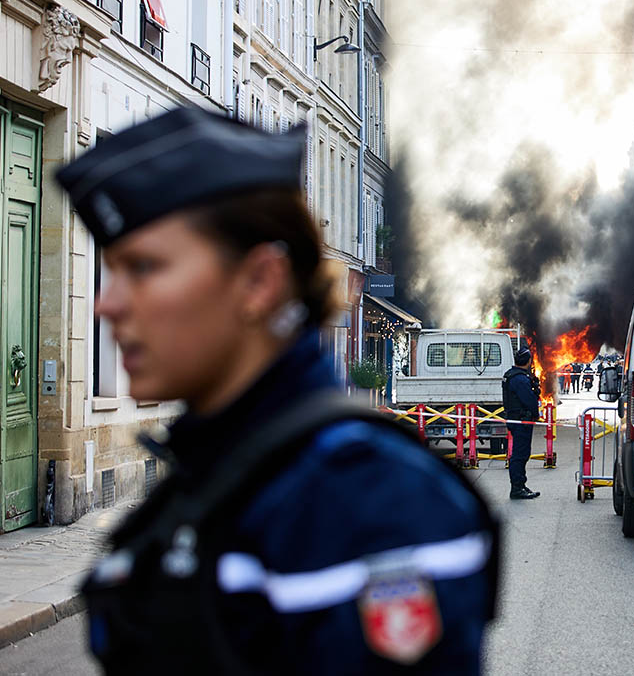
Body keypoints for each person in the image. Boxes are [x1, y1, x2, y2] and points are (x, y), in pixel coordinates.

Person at [59, 107, 498, 675]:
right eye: (112, 270)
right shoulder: (228, 469)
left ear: (260, 281)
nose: (107, 303)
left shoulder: (363, 501)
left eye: (143, 268)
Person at [501, 348, 540, 500]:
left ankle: (521, 485)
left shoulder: (512, 375)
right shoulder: (520, 379)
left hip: (515, 418)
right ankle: (517, 488)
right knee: (520, 454)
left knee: (520, 453)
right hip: (521, 420)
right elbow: (529, 401)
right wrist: (535, 413)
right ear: (528, 361)